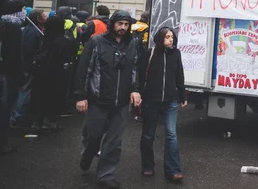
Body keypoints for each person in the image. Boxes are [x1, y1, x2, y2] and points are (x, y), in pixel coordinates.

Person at [75, 10, 141, 189]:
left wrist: (135, 90)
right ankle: (87, 154)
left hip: (121, 103)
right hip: (98, 99)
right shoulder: (97, 42)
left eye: (126, 25)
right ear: (112, 24)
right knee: (93, 136)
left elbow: (135, 68)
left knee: (114, 141)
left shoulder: (133, 44)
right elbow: (84, 69)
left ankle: (106, 174)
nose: (123, 28)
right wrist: (81, 96)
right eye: (120, 24)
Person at [139, 27, 186, 182]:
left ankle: (173, 170)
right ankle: (147, 165)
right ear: (160, 39)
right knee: (148, 134)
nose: (170, 39)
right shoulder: (150, 53)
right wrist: (137, 93)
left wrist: (182, 95)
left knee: (171, 134)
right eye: (167, 37)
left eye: (172, 37)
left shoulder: (176, 53)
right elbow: (140, 75)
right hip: (151, 100)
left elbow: (179, 75)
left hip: (171, 100)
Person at [0, 0, 25, 155]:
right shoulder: (13, 29)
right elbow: (15, 56)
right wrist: (20, 79)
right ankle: (0, 143)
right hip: (7, 74)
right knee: (4, 111)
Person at [31, 16, 70, 131]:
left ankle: (37, 121)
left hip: (41, 73)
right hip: (56, 73)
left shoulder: (44, 38)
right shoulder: (61, 40)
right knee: (53, 97)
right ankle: (49, 121)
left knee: (40, 96)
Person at [10, 9, 47, 128]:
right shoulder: (32, 31)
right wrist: (35, 60)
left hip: (27, 65)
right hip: (28, 66)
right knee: (24, 92)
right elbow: (28, 50)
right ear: (38, 18)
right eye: (43, 15)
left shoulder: (32, 29)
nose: (46, 17)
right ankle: (18, 117)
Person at [131, 11, 150, 122]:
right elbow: (146, 45)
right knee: (140, 84)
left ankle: (132, 106)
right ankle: (139, 111)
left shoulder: (132, 26)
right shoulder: (147, 28)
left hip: (129, 57)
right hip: (141, 59)